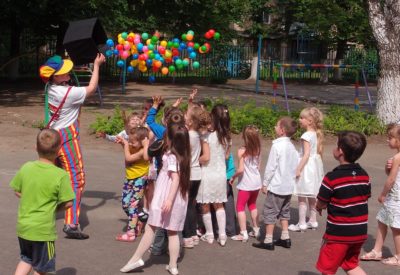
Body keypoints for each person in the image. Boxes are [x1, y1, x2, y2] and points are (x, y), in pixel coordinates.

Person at [39, 53, 106, 239]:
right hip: (66, 138)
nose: (68, 73)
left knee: (54, 179)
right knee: (77, 179)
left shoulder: (50, 87)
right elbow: (92, 88)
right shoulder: (68, 93)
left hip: (50, 137)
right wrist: (97, 65)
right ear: (56, 76)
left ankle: (43, 214)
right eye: (64, 72)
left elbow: (70, 83)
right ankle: (71, 223)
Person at [120, 123, 191, 275]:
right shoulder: (184, 155)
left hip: (166, 196)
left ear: (171, 139)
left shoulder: (172, 156)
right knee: (172, 232)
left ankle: (136, 259)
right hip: (177, 198)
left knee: (151, 227)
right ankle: (172, 265)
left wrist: (169, 200)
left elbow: (175, 179)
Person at [10, 129, 76, 275]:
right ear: (59, 150)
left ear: (35, 147)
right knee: (42, 269)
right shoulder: (60, 175)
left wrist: (30, 197)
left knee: (26, 259)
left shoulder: (26, 167)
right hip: (43, 231)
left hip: (24, 227)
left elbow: (17, 190)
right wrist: (55, 208)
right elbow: (69, 203)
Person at [315, 131, 370, 275]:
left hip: (338, 233)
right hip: (359, 231)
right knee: (350, 264)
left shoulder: (332, 177)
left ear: (340, 151)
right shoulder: (364, 175)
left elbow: (321, 201)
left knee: (327, 269)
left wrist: (319, 206)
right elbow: (365, 196)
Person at [253, 117, 298, 250]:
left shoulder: (277, 146)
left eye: (276, 126)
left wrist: (265, 183)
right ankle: (285, 237)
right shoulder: (292, 147)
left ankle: (268, 240)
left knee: (270, 212)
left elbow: (271, 167)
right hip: (288, 186)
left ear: (282, 130)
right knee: (284, 211)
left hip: (277, 186)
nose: (274, 127)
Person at [360, 124, 400, 266]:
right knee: (382, 220)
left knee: (396, 227)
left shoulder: (397, 157)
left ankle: (399, 256)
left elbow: (391, 179)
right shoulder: (395, 158)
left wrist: (383, 194)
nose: (387, 141)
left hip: (395, 197)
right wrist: (386, 167)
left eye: (390, 138)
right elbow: (391, 174)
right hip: (394, 197)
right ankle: (377, 250)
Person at [197, 104, 231, 246]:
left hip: (207, 173)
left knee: (205, 204)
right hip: (220, 173)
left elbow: (205, 157)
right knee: (219, 204)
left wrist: (194, 160)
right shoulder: (227, 137)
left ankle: (210, 234)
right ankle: (222, 235)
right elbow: (227, 157)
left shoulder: (206, 136)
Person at [289, 107, 324, 232]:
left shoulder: (306, 135)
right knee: (312, 194)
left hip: (306, 167)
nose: (300, 120)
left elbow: (306, 154)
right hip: (314, 167)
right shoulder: (315, 133)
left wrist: (298, 168)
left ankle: (302, 222)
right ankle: (313, 220)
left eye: (302, 118)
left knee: (302, 195)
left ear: (310, 121)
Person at [182, 105, 211, 248]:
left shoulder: (188, 135)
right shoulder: (199, 135)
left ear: (191, 121)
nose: (184, 116)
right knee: (191, 204)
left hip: (188, 174)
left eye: (187, 115)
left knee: (186, 205)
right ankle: (193, 234)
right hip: (197, 173)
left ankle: (187, 235)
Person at [115, 126, 150, 242]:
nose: (130, 143)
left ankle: (131, 233)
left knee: (133, 205)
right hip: (129, 178)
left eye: (132, 142)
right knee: (125, 205)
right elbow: (129, 150)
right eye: (129, 141)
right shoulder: (135, 146)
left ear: (142, 142)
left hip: (139, 179)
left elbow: (129, 158)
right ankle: (141, 217)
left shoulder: (142, 150)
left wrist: (125, 145)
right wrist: (123, 143)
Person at [230, 125, 262, 242]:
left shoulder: (242, 151)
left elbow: (240, 170)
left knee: (240, 207)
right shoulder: (258, 149)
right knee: (252, 205)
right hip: (256, 182)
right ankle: (256, 228)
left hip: (246, 184)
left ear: (244, 137)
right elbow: (258, 166)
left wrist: (233, 176)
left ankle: (243, 233)